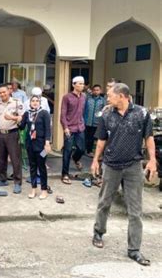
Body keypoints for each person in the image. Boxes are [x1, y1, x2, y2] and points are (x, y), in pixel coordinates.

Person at [91, 83, 156, 266]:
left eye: (110, 95)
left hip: (133, 166)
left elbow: (149, 138)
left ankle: (134, 249)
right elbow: (101, 140)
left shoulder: (141, 114)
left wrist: (152, 160)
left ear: (122, 96)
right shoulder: (106, 115)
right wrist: (96, 160)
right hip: (111, 165)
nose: (108, 98)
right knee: (104, 202)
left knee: (135, 210)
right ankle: (98, 231)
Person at [20, 95, 52, 199]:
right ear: (29, 103)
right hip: (30, 144)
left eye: (36, 101)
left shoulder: (44, 113)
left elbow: (48, 129)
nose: (34, 102)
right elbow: (21, 126)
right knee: (32, 167)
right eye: (32, 101)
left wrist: (47, 143)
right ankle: (33, 189)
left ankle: (44, 190)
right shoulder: (27, 113)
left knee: (42, 167)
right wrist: (17, 118)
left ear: (40, 102)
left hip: (42, 145)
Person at [60, 76, 86, 185]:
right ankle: (64, 174)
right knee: (67, 151)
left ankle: (75, 159)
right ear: (73, 84)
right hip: (69, 128)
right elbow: (63, 114)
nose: (81, 86)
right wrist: (65, 127)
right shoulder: (67, 97)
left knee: (81, 149)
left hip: (80, 127)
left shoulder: (84, 97)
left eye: (83, 84)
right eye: (79, 84)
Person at [84, 84, 105, 157]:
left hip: (96, 122)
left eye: (97, 90)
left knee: (92, 138)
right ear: (92, 91)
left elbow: (104, 111)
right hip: (87, 121)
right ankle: (84, 150)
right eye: (94, 90)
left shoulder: (102, 100)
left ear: (100, 91)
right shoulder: (88, 99)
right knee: (86, 137)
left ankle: (89, 151)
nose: (96, 92)